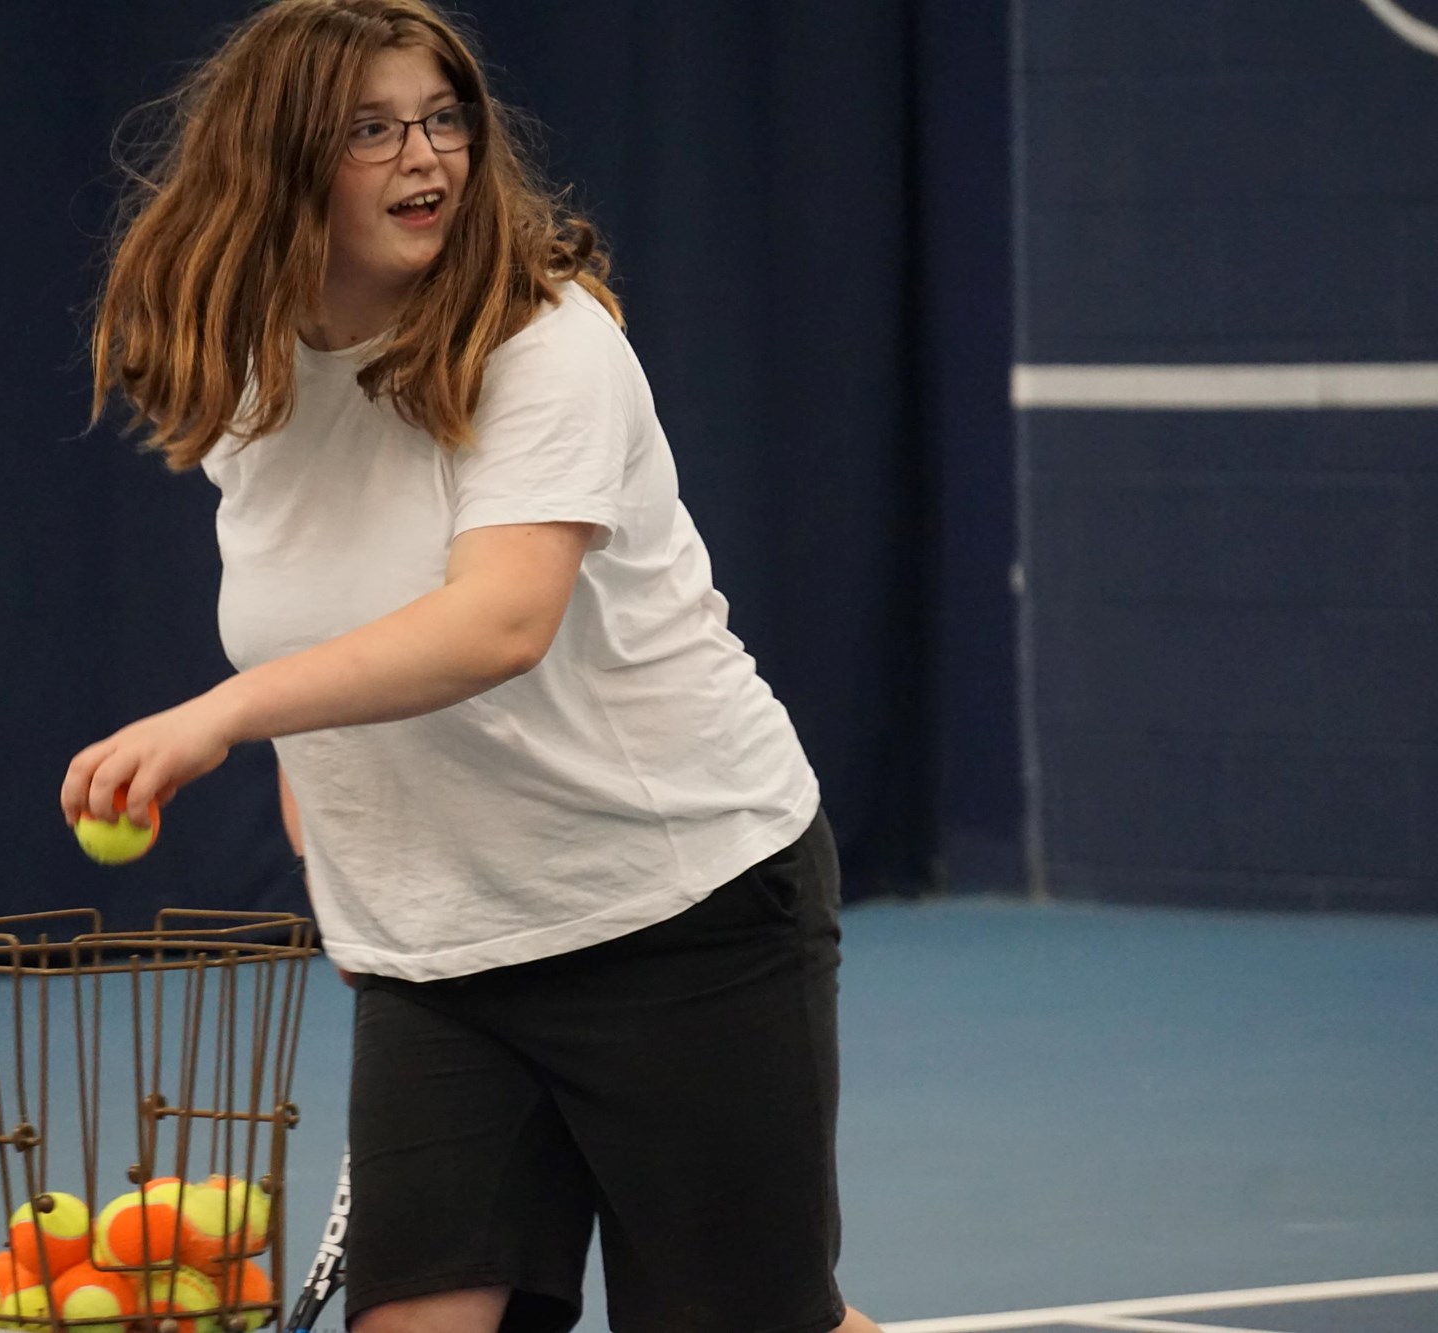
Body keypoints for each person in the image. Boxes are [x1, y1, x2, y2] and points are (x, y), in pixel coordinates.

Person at [60, 4, 888, 1331]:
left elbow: (497, 624)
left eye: (444, 121)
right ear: (278, 162)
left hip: (679, 910)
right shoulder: (255, 375)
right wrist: (332, 831)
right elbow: (314, 625)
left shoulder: (550, 347)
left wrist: (223, 716)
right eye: (372, 131)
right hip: (438, 960)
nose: (427, 160)